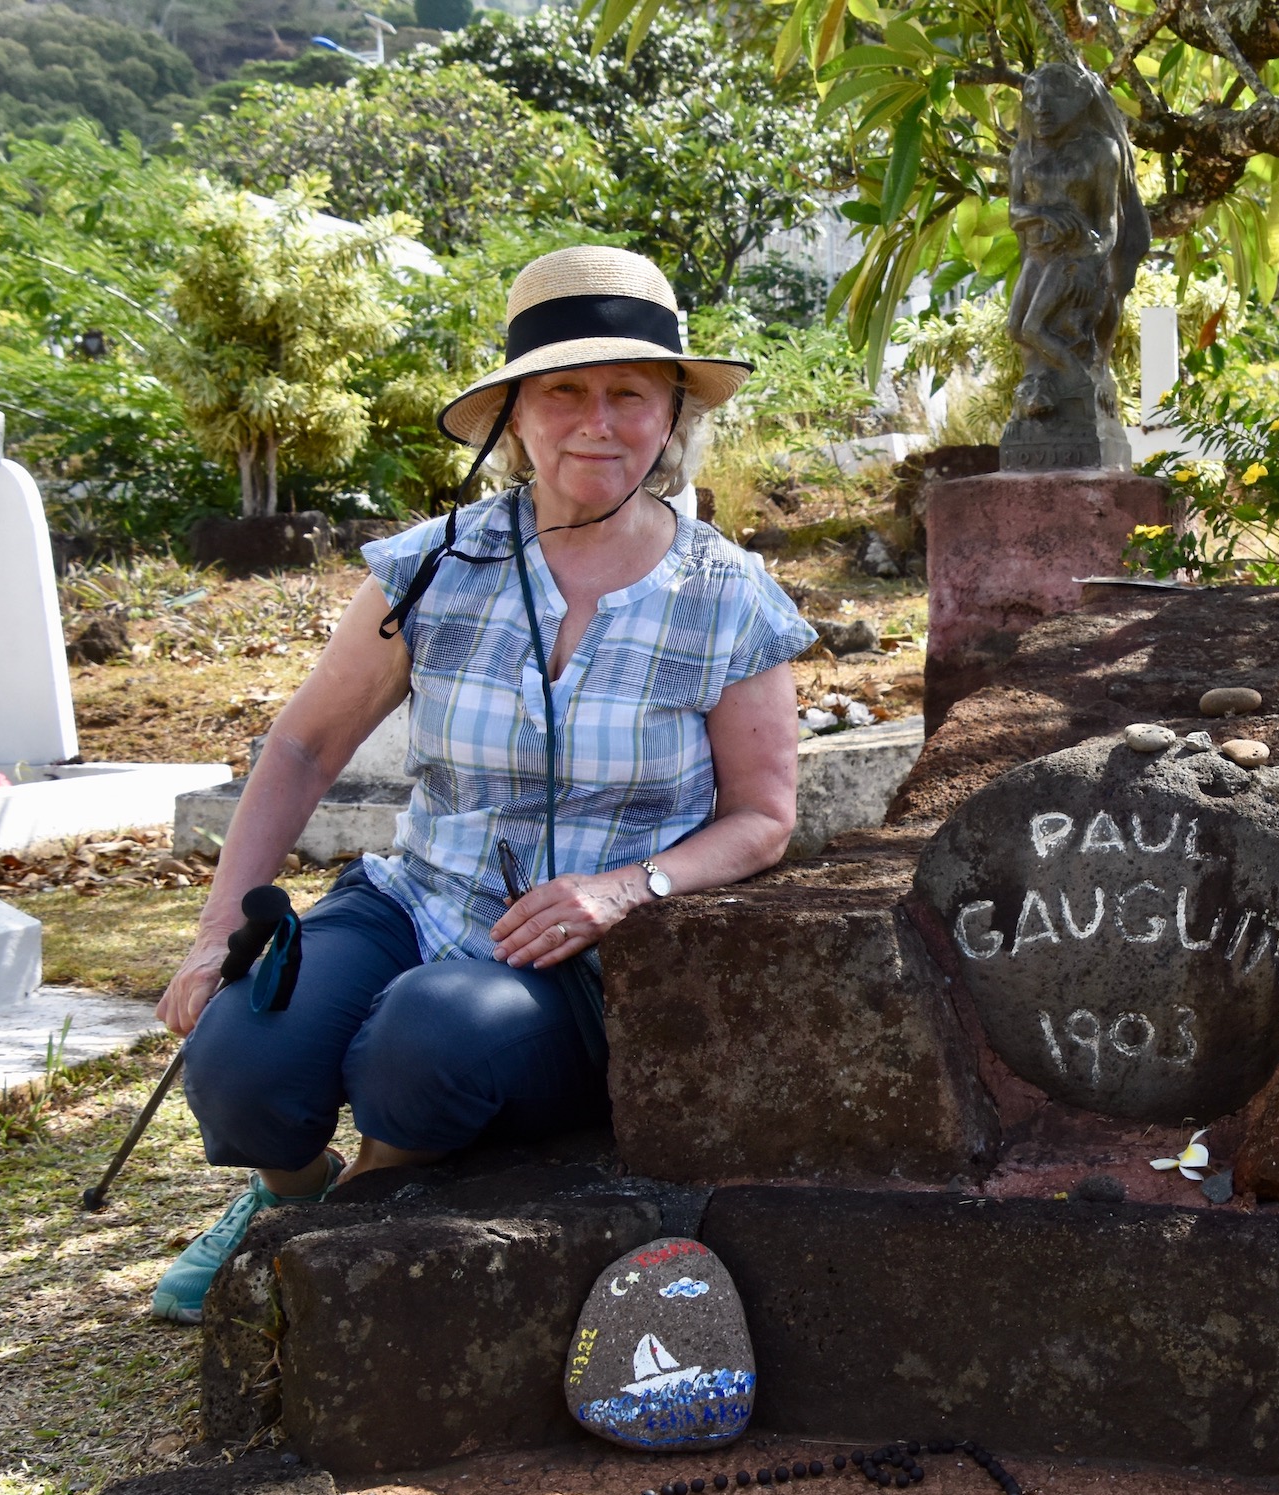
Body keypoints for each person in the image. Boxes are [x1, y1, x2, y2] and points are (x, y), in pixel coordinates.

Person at [147, 247, 815, 1323]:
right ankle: (292, 1194)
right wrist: (219, 927)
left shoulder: (729, 598)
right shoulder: (431, 566)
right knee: (239, 1060)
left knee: (426, 1042)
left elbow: (763, 819)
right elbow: (304, 749)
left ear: (670, 416)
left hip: (583, 959)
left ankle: (346, 1221)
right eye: (563, 391)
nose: (597, 420)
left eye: (629, 393)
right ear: (513, 416)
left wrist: (622, 890)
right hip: (421, 899)